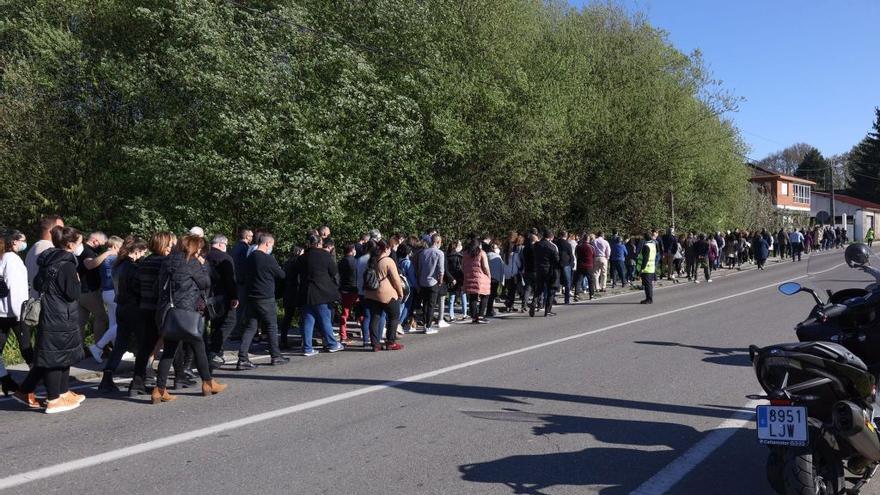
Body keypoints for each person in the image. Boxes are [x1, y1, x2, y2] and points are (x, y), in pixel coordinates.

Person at [13, 226, 86, 413]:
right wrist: (77, 280)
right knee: (55, 357)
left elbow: (38, 283)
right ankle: (54, 398)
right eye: (79, 242)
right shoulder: (68, 265)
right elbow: (73, 293)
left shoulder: (48, 260)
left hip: (50, 312)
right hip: (61, 314)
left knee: (58, 353)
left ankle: (61, 392)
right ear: (70, 245)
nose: (81, 246)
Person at [152, 235, 226, 404]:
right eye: (199, 247)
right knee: (199, 346)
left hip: (168, 312)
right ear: (194, 248)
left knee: (169, 350)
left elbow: (158, 286)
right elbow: (205, 283)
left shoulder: (167, 261)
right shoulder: (192, 262)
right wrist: (202, 266)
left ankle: (159, 390)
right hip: (187, 313)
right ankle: (208, 383)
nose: (200, 250)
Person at [129, 232, 177, 397]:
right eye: (171, 244)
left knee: (145, 347)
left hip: (144, 307)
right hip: (160, 309)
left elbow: (135, 285)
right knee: (171, 345)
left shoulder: (144, 262)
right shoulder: (166, 263)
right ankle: (163, 384)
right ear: (165, 245)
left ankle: (136, 383)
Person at [98, 237, 148, 392]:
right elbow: (138, 289)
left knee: (120, 344)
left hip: (121, 307)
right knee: (142, 345)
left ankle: (107, 376)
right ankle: (139, 379)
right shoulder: (133, 268)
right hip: (135, 309)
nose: (144, 255)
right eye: (143, 252)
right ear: (137, 251)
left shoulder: (117, 265)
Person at [238, 233, 288, 369]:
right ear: (267, 243)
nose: (271, 247)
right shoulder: (268, 259)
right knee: (272, 326)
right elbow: (281, 275)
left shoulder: (249, 258)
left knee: (250, 327)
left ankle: (242, 358)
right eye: (271, 245)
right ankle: (276, 356)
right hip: (265, 296)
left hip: (251, 296)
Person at [297, 234, 343, 356]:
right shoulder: (325, 255)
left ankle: (307, 348)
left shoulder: (302, 258)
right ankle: (332, 344)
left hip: (306, 292)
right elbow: (333, 271)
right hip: (322, 292)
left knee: (308, 321)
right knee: (325, 319)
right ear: (318, 244)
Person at [0, 230, 30, 395]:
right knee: (26, 346)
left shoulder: (2, 257)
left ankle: (6, 380)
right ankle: (36, 378)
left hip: (1, 312)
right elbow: (15, 288)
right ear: (14, 242)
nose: (25, 243)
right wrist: (20, 313)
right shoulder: (12, 259)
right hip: (14, 311)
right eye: (23, 240)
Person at [205, 235, 239, 368]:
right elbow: (230, 280)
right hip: (222, 296)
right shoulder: (225, 258)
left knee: (215, 324)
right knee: (229, 322)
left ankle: (217, 351)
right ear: (220, 244)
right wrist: (234, 296)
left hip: (208, 296)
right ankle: (214, 350)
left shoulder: (205, 256)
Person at [364, 241, 404, 351]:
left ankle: (375, 344)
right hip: (386, 294)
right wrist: (400, 293)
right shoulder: (388, 261)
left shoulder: (370, 260)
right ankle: (390, 342)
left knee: (375, 318)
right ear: (385, 249)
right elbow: (396, 280)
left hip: (371, 294)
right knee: (394, 316)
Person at [88, 236, 122, 363]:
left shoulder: (102, 257)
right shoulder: (114, 258)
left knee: (113, 323)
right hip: (114, 293)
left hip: (106, 292)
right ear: (114, 247)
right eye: (120, 247)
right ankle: (98, 347)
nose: (121, 250)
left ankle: (117, 350)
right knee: (122, 323)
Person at [77, 231, 111, 343]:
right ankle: (99, 346)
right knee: (102, 318)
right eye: (102, 244)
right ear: (95, 241)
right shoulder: (88, 252)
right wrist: (107, 254)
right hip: (89, 291)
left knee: (80, 322)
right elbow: (89, 264)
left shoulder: (82, 250)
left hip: (81, 291)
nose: (103, 247)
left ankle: (79, 348)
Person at [25, 215, 64, 299]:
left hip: (36, 300)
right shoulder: (50, 250)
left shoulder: (33, 248)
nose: (64, 232)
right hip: (47, 303)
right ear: (52, 231)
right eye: (61, 229)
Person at [417, 234, 444, 333]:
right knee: (431, 305)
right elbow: (441, 270)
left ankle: (425, 324)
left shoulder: (423, 252)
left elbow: (419, 268)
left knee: (425, 304)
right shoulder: (439, 253)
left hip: (423, 281)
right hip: (433, 281)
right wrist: (440, 281)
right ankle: (428, 326)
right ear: (437, 242)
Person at [530, 229, 560, 317]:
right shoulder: (551, 246)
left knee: (539, 288)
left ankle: (534, 302)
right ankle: (548, 310)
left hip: (539, 268)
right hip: (549, 270)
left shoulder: (537, 245)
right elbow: (556, 259)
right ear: (551, 237)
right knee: (550, 290)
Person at [462, 236, 492, 324]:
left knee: (472, 297)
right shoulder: (481, 253)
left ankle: (474, 317)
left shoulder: (465, 253)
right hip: (481, 277)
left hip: (469, 276)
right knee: (485, 295)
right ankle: (481, 315)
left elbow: (463, 266)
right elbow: (485, 267)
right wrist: (489, 275)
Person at [280, 246, 304, 348]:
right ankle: (304, 339)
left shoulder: (287, 263)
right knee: (303, 316)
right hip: (297, 292)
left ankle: (283, 339)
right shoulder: (299, 263)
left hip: (288, 292)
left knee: (287, 317)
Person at [337, 243, 359, 344]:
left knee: (345, 314)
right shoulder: (355, 262)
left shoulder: (341, 262)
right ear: (352, 250)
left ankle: (343, 335)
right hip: (354, 290)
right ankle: (366, 334)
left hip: (344, 290)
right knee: (361, 313)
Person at [397, 244, 417, 333]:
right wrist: (417, 286)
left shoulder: (398, 261)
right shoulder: (408, 263)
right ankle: (400, 324)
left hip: (400, 285)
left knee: (401, 305)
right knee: (406, 307)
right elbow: (412, 277)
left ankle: (398, 323)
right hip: (409, 286)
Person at [636, 232, 657, 304]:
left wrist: (641, 269)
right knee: (649, 284)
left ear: (644, 238)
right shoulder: (653, 245)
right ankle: (649, 298)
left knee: (647, 285)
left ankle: (649, 299)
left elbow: (645, 258)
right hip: (651, 267)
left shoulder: (646, 246)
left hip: (646, 268)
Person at [574, 234, 595, 301]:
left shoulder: (578, 246)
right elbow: (594, 256)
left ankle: (576, 295)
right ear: (588, 239)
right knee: (591, 280)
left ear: (583, 239)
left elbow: (576, 254)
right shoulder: (591, 247)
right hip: (589, 265)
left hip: (580, 265)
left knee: (578, 281)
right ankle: (591, 295)